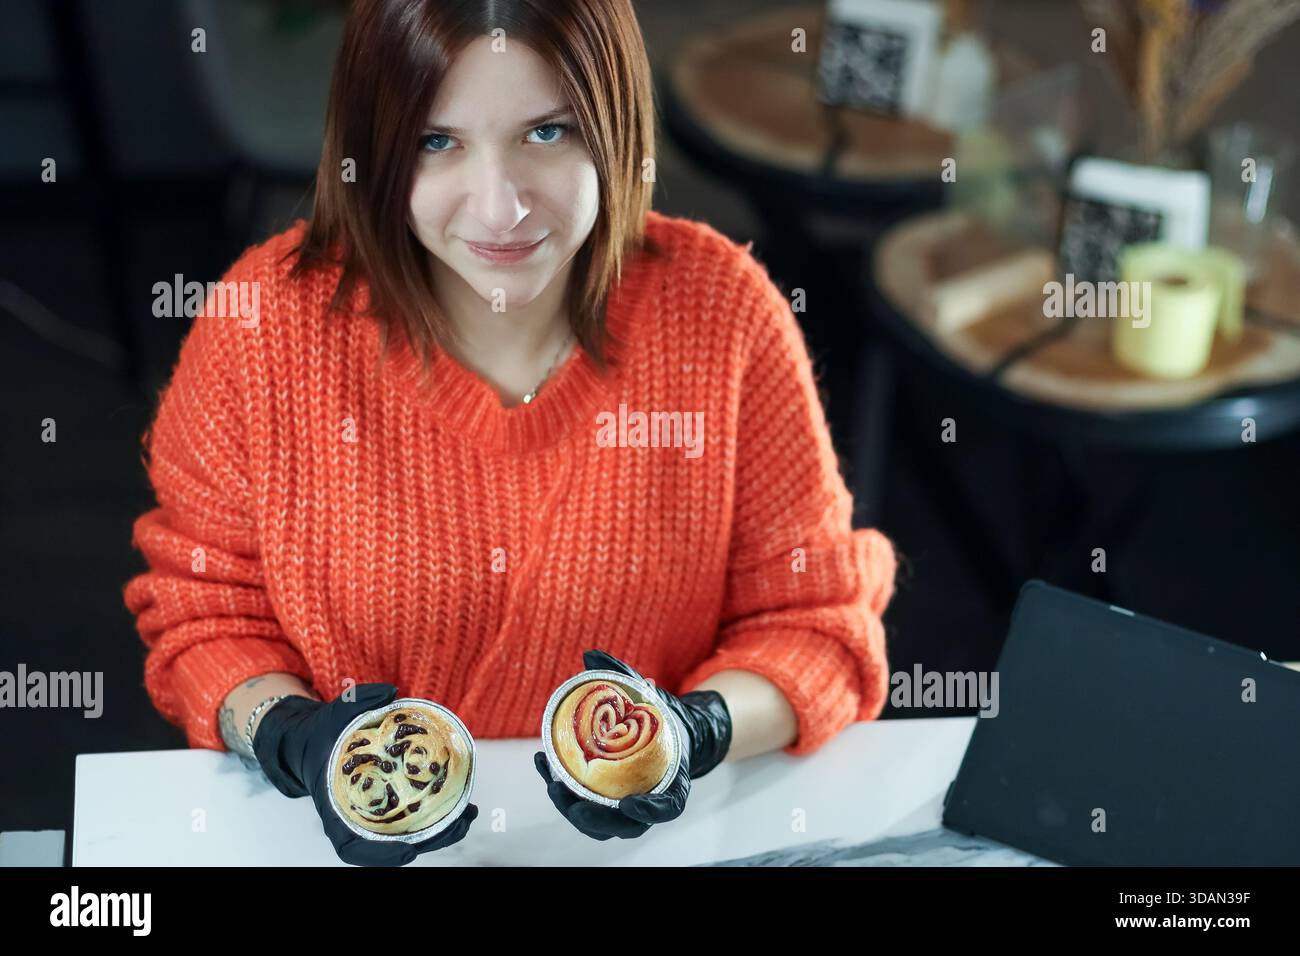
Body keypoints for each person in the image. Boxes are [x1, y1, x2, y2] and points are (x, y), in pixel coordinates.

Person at [123, 0, 896, 867]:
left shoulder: (724, 315)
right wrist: (294, 738)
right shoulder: (260, 325)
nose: (499, 208)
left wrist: (694, 731)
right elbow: (202, 614)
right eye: (435, 141)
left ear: (614, 125)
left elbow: (817, 623)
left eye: (548, 133)